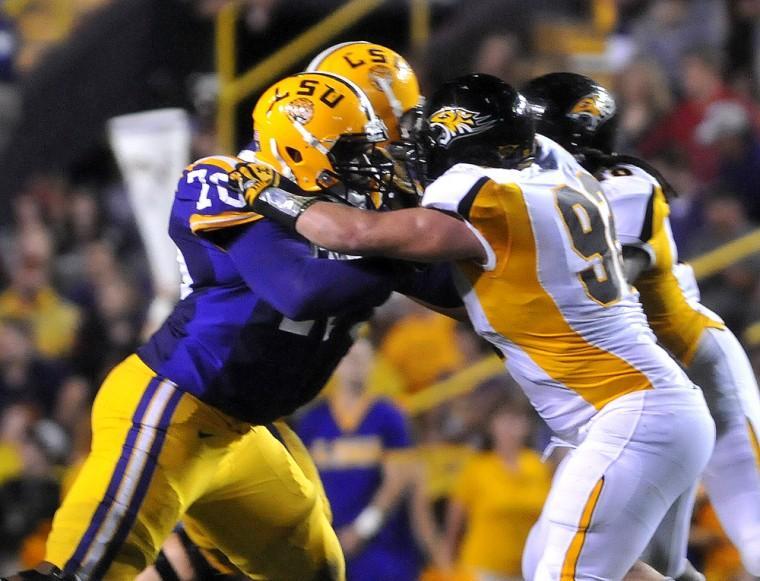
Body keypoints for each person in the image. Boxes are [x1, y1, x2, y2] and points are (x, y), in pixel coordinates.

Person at [233, 73, 716, 581]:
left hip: (632, 415)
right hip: (652, 410)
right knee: (621, 570)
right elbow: (448, 287)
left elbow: (355, 232)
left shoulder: (491, 200)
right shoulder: (551, 174)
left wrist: (264, 193)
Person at [1, 71, 460, 581]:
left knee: (315, 572)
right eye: (352, 150)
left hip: (242, 432)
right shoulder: (228, 181)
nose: (370, 163)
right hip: (172, 406)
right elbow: (299, 289)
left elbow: (448, 290)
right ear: (301, 150)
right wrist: (399, 250)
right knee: (79, 571)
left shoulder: (355, 212)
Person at [522, 71, 760, 580]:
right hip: (632, 398)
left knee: (756, 538)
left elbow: (605, 283)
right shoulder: (535, 194)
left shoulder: (624, 187)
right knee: (609, 562)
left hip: (698, 372)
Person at [299, 337, 422, 581]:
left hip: (379, 547)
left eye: (363, 359)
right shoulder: (313, 420)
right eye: (351, 359)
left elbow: (396, 483)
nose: (357, 365)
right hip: (326, 541)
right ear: (337, 364)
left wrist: (362, 529)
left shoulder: (389, 416)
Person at [444, 386, 551, 581]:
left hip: (526, 571)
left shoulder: (538, 466)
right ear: (491, 425)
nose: (511, 428)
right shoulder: (476, 468)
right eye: (505, 420)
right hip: (482, 571)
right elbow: (454, 527)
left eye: (517, 420)